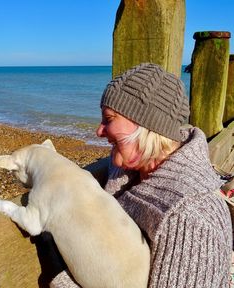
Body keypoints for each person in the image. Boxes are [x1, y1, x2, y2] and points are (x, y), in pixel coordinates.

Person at [50, 63, 233, 287]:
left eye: (108, 119)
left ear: (147, 125)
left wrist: (61, 278)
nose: (99, 131)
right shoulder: (131, 171)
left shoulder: (189, 217)